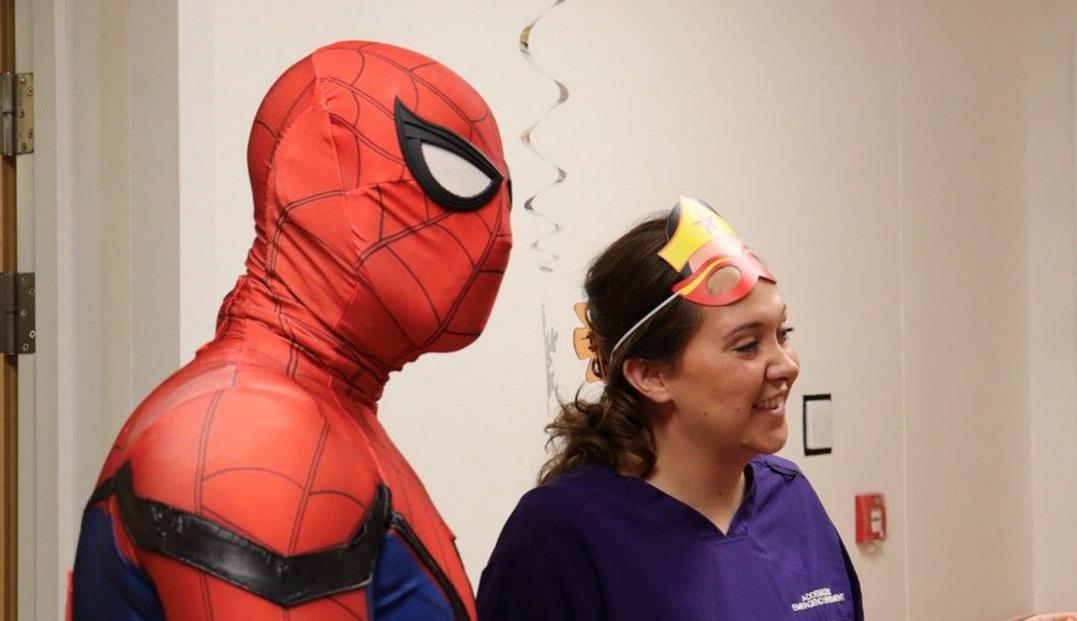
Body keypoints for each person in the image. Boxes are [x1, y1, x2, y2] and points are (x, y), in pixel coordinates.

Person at [69, 41, 511, 620]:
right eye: (454, 174)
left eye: (510, 202)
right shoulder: (253, 427)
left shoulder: (323, 414)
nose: (498, 234)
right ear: (311, 166)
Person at [477, 195, 860, 620]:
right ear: (651, 375)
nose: (787, 365)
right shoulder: (560, 536)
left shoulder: (791, 500)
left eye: (782, 334)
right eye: (748, 345)